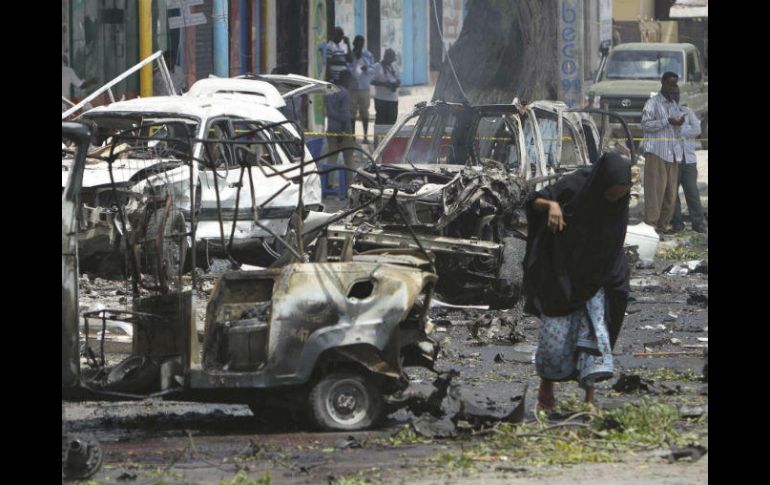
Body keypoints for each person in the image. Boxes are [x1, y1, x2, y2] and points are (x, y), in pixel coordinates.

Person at [523, 153, 632, 411]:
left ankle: (590, 400)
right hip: (563, 273)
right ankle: (547, 387)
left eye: (620, 195)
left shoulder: (620, 202)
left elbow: (612, 242)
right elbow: (531, 201)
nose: (615, 199)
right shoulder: (576, 184)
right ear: (601, 184)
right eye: (611, 194)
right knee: (554, 340)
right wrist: (551, 205)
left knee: (596, 337)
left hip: (600, 276)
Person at [641, 71, 683, 234]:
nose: (673, 88)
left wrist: (679, 122)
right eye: (670, 84)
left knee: (670, 193)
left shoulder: (673, 104)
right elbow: (645, 125)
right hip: (656, 153)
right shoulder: (652, 103)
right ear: (663, 83)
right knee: (655, 192)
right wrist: (667, 121)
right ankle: (650, 225)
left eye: (675, 84)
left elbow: (678, 128)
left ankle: (663, 224)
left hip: (672, 153)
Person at [670, 88, 707, 233]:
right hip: (673, 160)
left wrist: (680, 131)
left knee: (692, 191)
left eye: (677, 94)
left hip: (689, 159)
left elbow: (697, 130)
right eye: (672, 94)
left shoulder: (688, 112)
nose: (675, 97)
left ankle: (698, 223)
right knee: (672, 193)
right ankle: (677, 224)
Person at [325, 69, 356, 170]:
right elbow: (344, 116)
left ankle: (328, 183)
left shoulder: (330, 91)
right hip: (344, 131)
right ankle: (349, 183)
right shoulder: (345, 93)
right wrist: (342, 132)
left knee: (332, 158)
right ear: (346, 80)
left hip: (331, 129)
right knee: (349, 160)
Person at [348, 35, 375, 144]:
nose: (358, 46)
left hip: (364, 87)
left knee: (365, 112)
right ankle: (352, 136)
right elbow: (347, 68)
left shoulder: (368, 55)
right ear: (354, 44)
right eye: (356, 43)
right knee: (351, 112)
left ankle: (365, 136)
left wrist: (366, 68)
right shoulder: (350, 55)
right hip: (352, 87)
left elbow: (373, 69)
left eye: (360, 44)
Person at [371, 49, 401, 132]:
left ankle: (389, 142)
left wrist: (395, 84)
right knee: (381, 122)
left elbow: (399, 80)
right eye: (390, 58)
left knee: (392, 122)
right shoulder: (377, 66)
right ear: (386, 57)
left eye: (393, 59)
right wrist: (384, 84)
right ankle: (378, 141)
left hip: (393, 99)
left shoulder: (394, 66)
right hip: (381, 99)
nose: (391, 61)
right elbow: (371, 80)